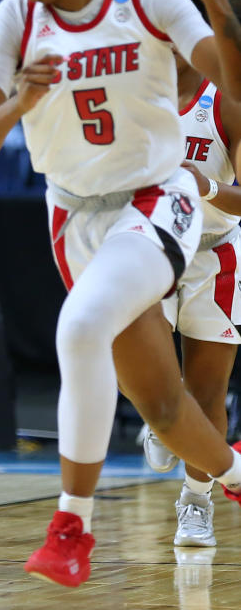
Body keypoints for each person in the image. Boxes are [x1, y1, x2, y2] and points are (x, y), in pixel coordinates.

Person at [0, 0, 241, 587]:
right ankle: (233, 473)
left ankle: (70, 527)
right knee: (163, 406)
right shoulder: (13, 18)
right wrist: (21, 98)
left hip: (160, 201)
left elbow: (231, 87)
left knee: (80, 326)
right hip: (72, 215)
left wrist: (216, 3)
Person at [135, 32, 241, 549]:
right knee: (144, 359)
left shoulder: (228, 100)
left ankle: (196, 503)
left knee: (209, 392)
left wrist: (208, 187)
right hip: (152, 243)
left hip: (215, 251)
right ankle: (162, 413)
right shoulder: (137, 92)